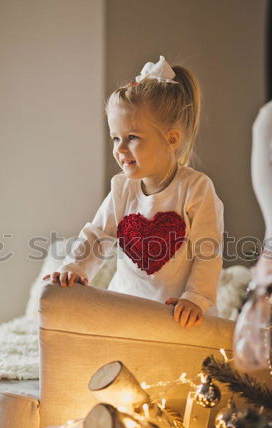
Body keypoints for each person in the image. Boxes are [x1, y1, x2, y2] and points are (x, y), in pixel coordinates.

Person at [43, 55, 224, 329]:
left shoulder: (196, 189)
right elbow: (98, 233)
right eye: (116, 138)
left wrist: (195, 298)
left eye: (132, 138)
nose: (120, 149)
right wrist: (75, 266)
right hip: (127, 310)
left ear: (171, 139)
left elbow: (207, 251)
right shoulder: (122, 188)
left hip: (179, 314)